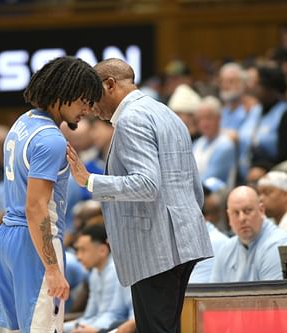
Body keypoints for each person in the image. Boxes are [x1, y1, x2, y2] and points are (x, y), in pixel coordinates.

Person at [67, 58, 212, 333]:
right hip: (182, 241)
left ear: (109, 85)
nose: (91, 108)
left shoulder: (131, 119)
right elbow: (195, 187)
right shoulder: (167, 114)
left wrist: (90, 181)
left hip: (154, 247)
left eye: (92, 97)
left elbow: (147, 184)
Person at [0, 56, 102, 333]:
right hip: (35, 243)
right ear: (64, 93)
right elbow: (36, 208)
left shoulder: (23, 123)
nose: (88, 110)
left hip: (7, 237)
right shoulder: (51, 139)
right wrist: (52, 268)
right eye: (84, 101)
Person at [210, 186, 287, 282]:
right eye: (236, 213)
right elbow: (213, 295)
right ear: (228, 217)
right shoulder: (226, 249)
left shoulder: (279, 245)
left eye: (247, 211)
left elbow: (271, 296)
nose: (242, 218)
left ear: (261, 210)